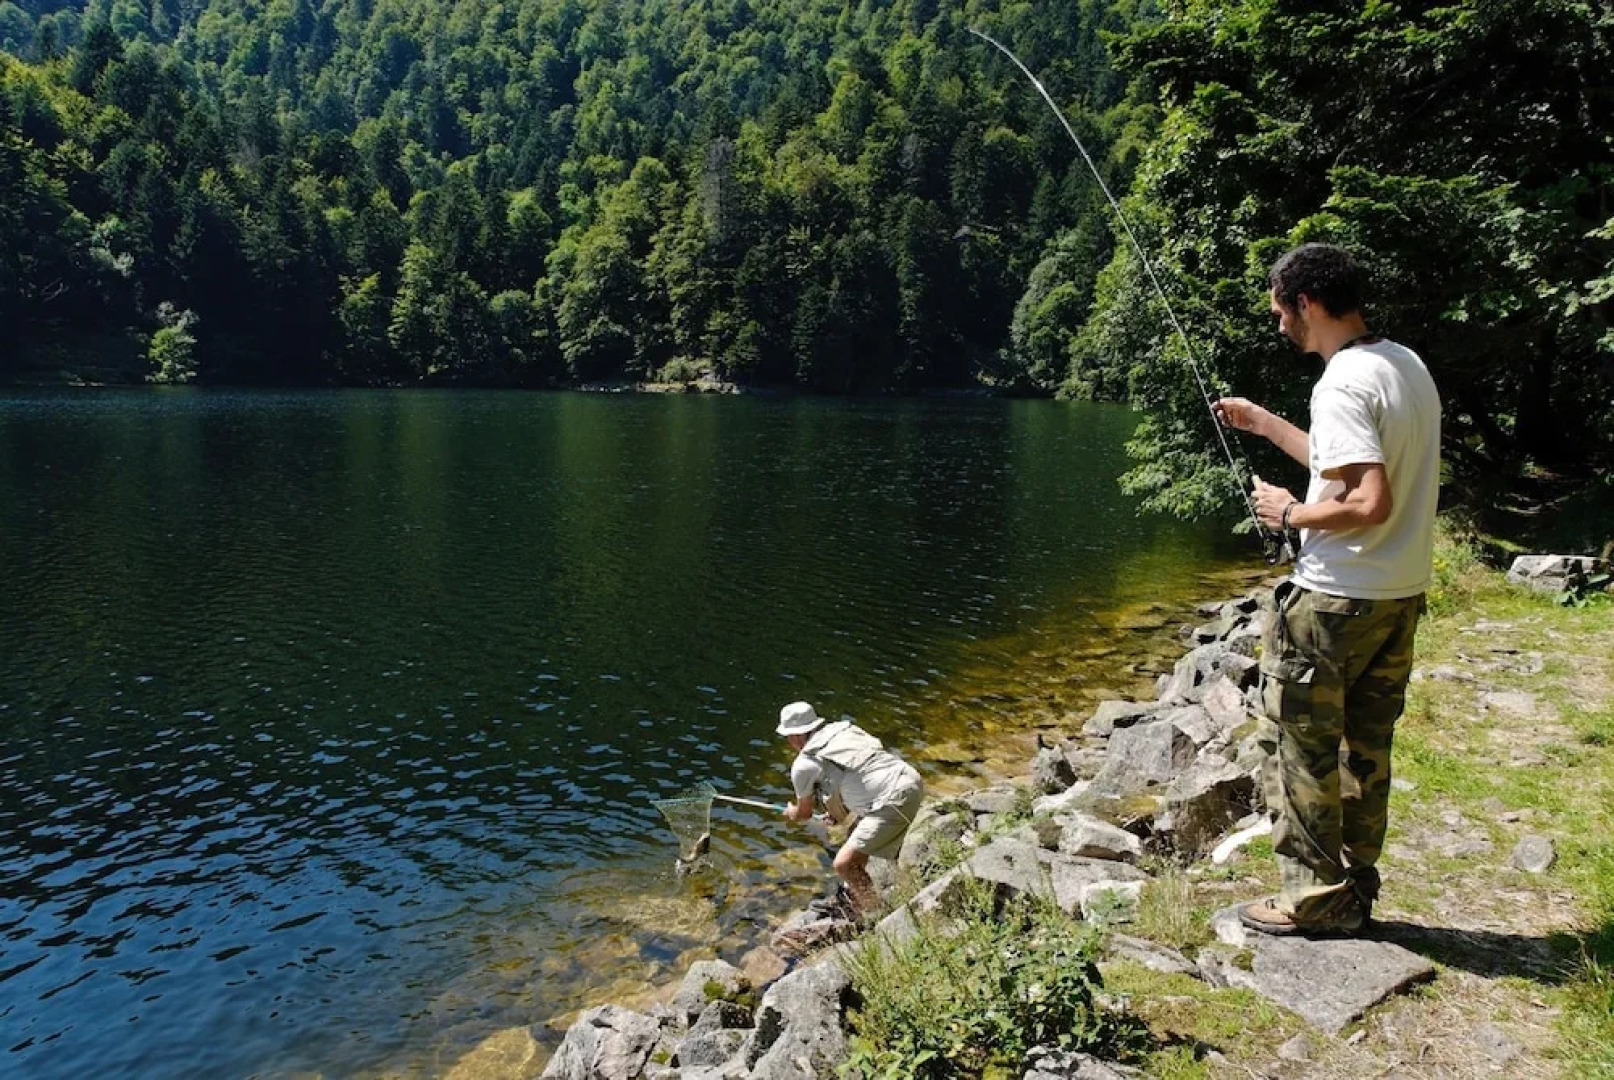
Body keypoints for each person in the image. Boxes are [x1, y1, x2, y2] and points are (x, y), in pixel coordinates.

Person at [1214, 242, 1441, 936]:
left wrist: (1291, 513)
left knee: (1304, 750)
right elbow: (1342, 459)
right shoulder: (1403, 365)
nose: (1280, 324)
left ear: (1304, 303)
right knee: (1365, 751)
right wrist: (1262, 423)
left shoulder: (1341, 380)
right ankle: (1353, 889)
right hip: (1397, 596)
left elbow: (1367, 499)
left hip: (1336, 600)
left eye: (1281, 310)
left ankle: (1312, 900)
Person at [776, 701, 924, 921]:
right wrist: (836, 813)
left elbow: (804, 813)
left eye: (787, 736)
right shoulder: (843, 730)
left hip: (891, 800)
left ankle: (878, 916)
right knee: (853, 833)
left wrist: (792, 812)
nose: (788, 742)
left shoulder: (803, 765)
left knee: (843, 863)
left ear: (795, 736)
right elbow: (856, 775)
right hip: (910, 779)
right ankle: (854, 895)